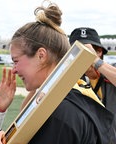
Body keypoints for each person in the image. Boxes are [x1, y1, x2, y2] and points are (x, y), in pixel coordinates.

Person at [9, 1, 116, 143]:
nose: (13, 70)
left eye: (16, 61)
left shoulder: (58, 112)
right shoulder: (71, 92)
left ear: (41, 55)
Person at [69, 27, 116, 114]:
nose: (82, 57)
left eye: (87, 52)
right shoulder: (68, 80)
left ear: (99, 52)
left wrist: (94, 60)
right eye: (77, 52)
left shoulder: (110, 75)